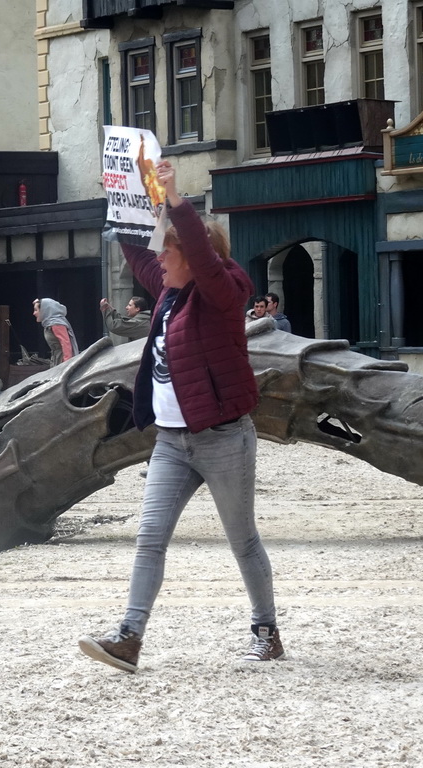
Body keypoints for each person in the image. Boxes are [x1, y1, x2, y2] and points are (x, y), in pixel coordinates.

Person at [78, 160, 283, 673]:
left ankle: (266, 631)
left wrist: (175, 201)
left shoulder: (223, 291)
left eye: (167, 251)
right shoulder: (170, 291)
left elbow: (202, 258)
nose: (157, 264)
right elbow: (136, 252)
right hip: (172, 440)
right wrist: (124, 204)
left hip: (223, 438)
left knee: (243, 540)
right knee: (150, 537)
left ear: (192, 255)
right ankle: (129, 636)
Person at [33, 297, 79, 366]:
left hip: (61, 360)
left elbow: (66, 344)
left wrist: (66, 364)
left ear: (44, 310)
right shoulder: (48, 324)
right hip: (56, 358)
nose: (34, 313)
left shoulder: (56, 323)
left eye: (36, 310)